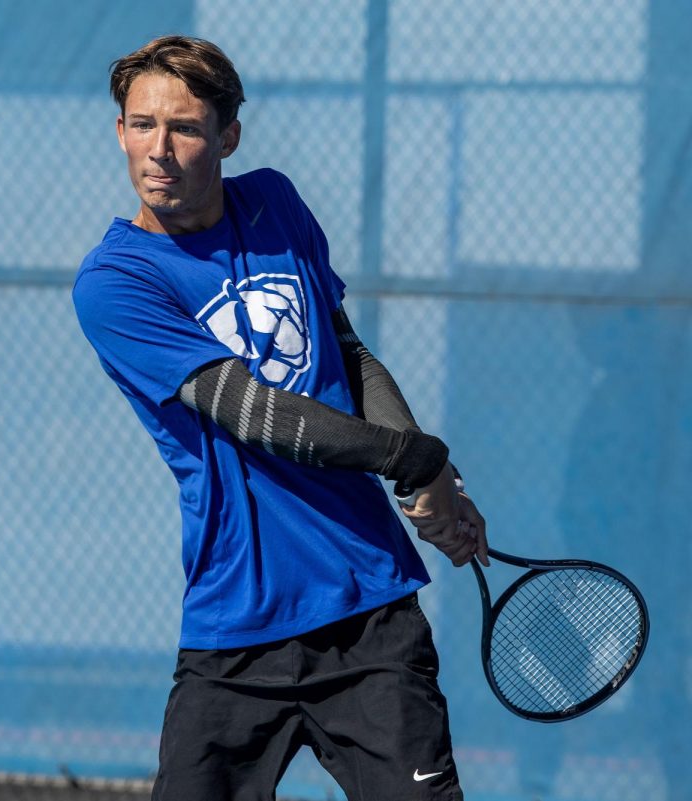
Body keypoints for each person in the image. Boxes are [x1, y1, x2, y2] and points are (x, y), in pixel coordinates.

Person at [71, 35, 489, 801]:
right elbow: (252, 414)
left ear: (227, 136)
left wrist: (427, 471)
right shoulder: (115, 283)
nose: (157, 150)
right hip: (235, 628)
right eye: (139, 125)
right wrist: (415, 459)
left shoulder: (276, 202)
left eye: (185, 128)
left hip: (371, 614)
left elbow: (349, 353)